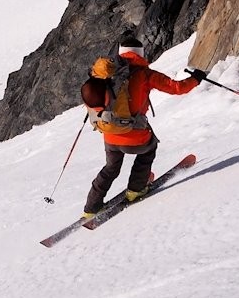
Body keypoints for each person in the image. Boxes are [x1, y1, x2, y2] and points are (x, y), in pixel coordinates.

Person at [80, 30, 205, 217]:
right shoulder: (146, 74)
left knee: (111, 168)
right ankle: (136, 189)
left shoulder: (106, 75)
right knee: (149, 149)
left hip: (110, 134)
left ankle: (91, 207)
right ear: (141, 54)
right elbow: (177, 88)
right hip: (134, 135)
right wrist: (196, 78)